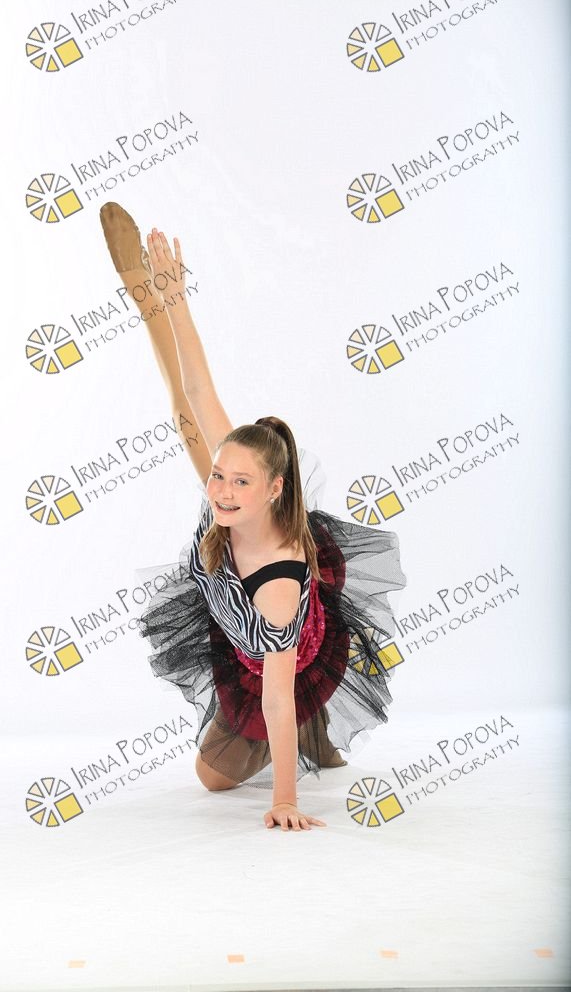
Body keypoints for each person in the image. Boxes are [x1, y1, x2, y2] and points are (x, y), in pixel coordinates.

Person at [99, 203, 407, 831]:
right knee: (184, 415)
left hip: (277, 659)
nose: (220, 489)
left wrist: (284, 800)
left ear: (273, 489)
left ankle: (311, 729)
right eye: (219, 475)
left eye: (239, 481)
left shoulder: (278, 584)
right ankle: (146, 305)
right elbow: (198, 394)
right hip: (240, 607)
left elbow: (276, 694)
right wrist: (174, 299)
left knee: (211, 777)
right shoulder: (230, 499)